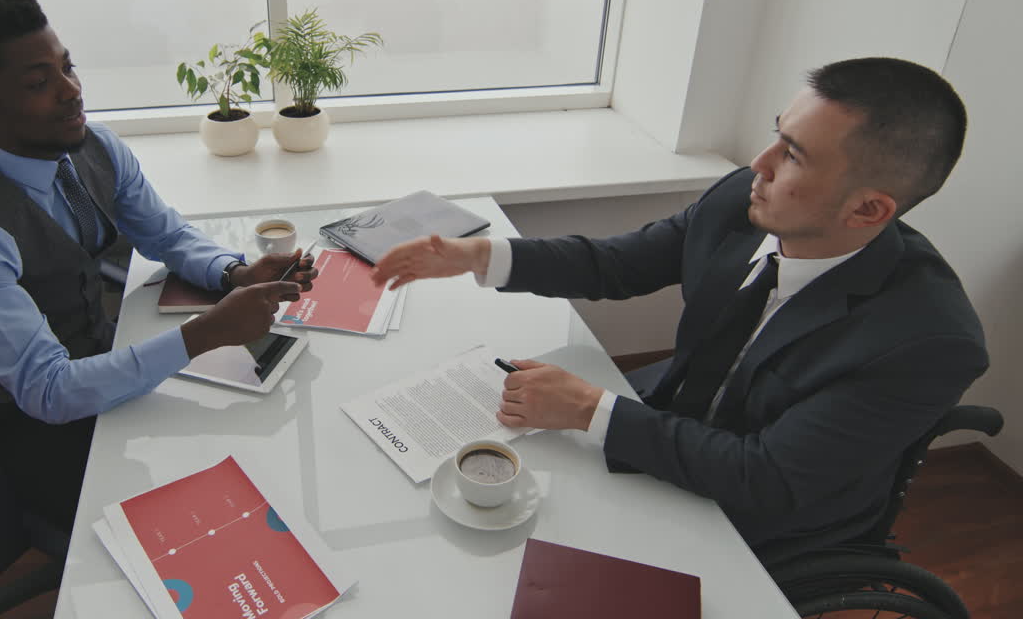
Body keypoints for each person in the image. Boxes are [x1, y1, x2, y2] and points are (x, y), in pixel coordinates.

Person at [370, 57, 988, 563]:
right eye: (778, 133)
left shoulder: (928, 341)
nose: (760, 164)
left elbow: (768, 480)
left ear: (869, 211)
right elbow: (619, 264)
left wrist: (592, 408)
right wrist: (478, 255)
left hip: (762, 515)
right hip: (669, 420)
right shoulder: (740, 205)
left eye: (793, 156)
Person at [0, 0, 316, 529]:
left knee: (264, 442)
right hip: (27, 420)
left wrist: (234, 272)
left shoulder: (94, 147)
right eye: (39, 82)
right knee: (197, 522)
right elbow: (47, 391)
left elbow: (165, 234)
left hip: (102, 355)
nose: (71, 91)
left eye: (67, 66)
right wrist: (202, 334)